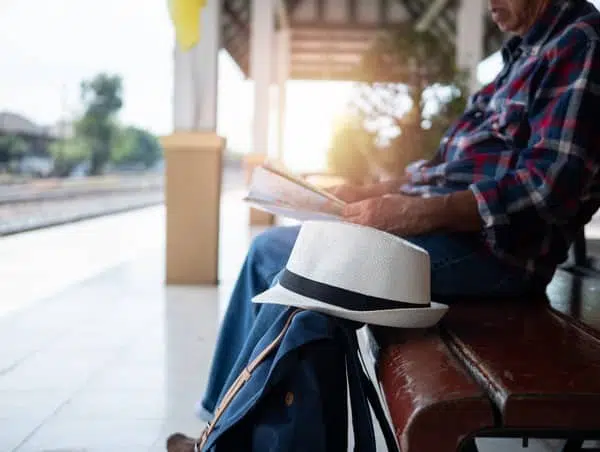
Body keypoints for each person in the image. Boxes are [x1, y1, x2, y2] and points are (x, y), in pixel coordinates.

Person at [198, 0, 600, 421]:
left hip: (492, 251)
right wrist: (366, 192)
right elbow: (438, 170)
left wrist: (414, 213)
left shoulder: (580, 42)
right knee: (284, 264)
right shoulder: (519, 56)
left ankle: (228, 434)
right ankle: (222, 428)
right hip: (446, 234)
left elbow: (547, 187)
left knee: (293, 262)